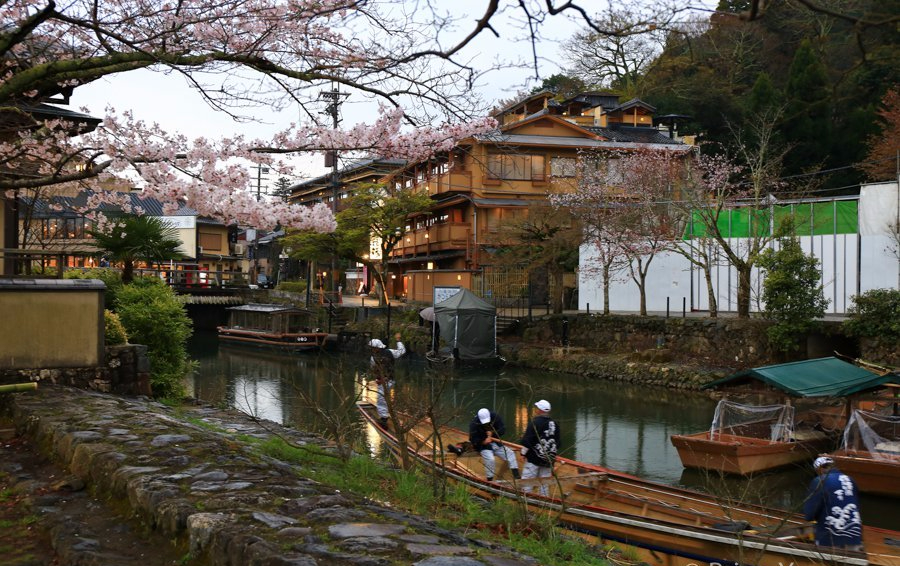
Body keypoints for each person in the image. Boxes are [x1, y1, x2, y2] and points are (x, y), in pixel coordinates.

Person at [803, 456, 864, 552]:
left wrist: (810, 518)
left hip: (830, 537)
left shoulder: (820, 481)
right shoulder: (851, 480)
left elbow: (810, 514)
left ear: (819, 469)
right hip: (855, 536)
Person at [449, 408, 520, 481]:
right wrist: (483, 442)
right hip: (483, 446)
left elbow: (503, 429)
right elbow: (473, 440)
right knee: (490, 459)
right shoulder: (474, 424)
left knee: (510, 454)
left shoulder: (495, 417)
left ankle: (517, 477)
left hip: (496, 443)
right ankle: (490, 480)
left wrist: (493, 433)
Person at [519, 399, 559, 496]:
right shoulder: (555, 424)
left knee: (527, 481)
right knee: (544, 483)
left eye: (537, 408)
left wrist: (522, 453)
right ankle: (544, 504)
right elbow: (558, 443)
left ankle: (525, 501)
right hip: (548, 459)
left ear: (540, 410)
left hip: (534, 458)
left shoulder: (535, 422)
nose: (535, 409)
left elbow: (527, 441)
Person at [369, 334, 406, 427]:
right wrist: (377, 378)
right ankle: (386, 415)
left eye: (373, 347)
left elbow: (401, 351)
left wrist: (398, 341)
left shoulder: (389, 352)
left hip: (389, 379)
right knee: (383, 398)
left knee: (381, 398)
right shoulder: (373, 357)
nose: (373, 349)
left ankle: (384, 418)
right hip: (383, 380)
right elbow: (373, 369)